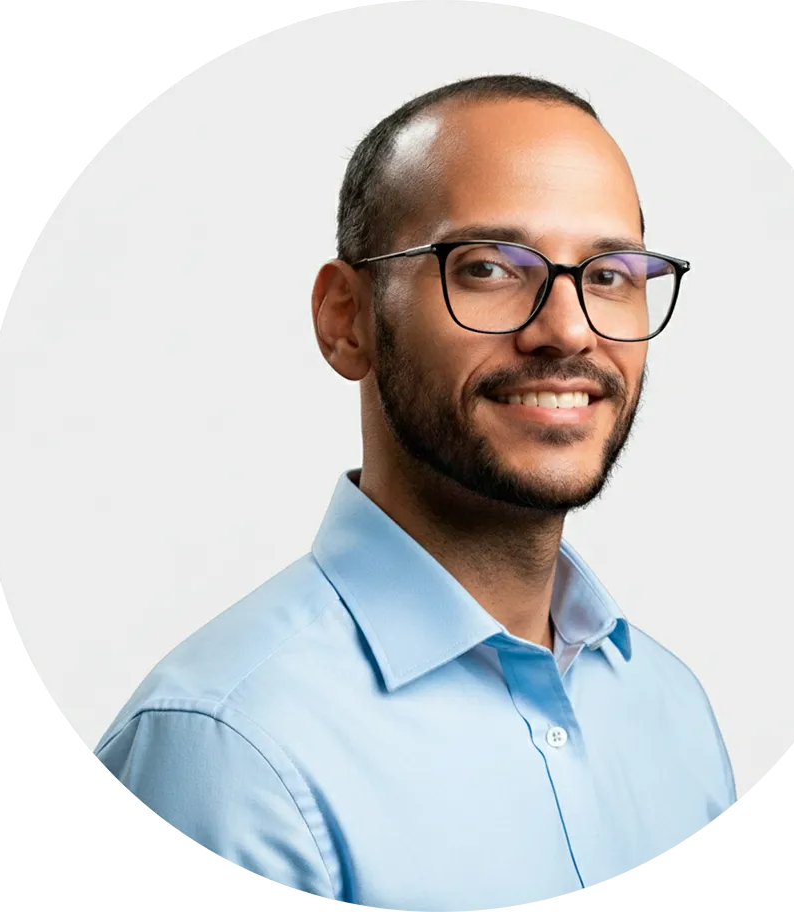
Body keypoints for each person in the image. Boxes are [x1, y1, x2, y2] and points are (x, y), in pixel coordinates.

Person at [95, 74, 735, 912]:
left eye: (611, 274)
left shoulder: (672, 710)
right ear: (346, 319)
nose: (569, 330)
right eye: (488, 267)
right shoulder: (230, 751)